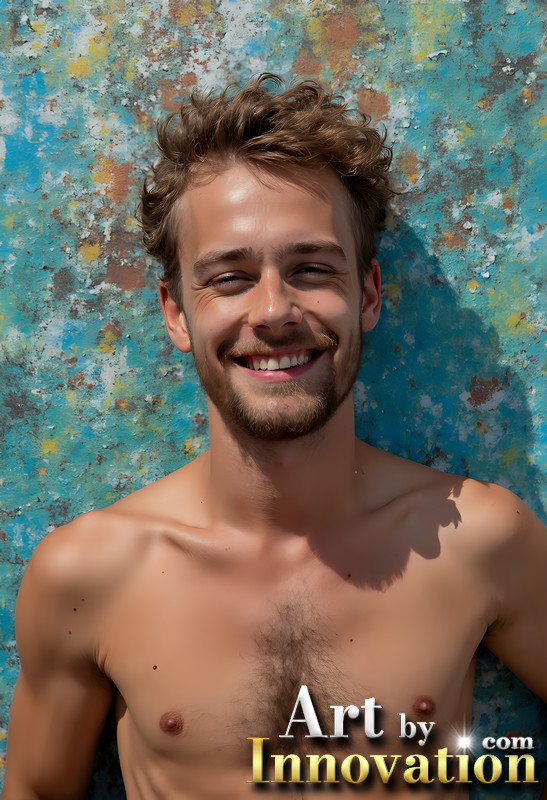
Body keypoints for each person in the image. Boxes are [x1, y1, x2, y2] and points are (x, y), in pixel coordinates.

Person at [2, 74, 546, 800]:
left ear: (367, 295)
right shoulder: (88, 576)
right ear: (175, 313)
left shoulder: (480, 542)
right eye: (229, 278)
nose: (273, 311)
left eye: (311, 269)